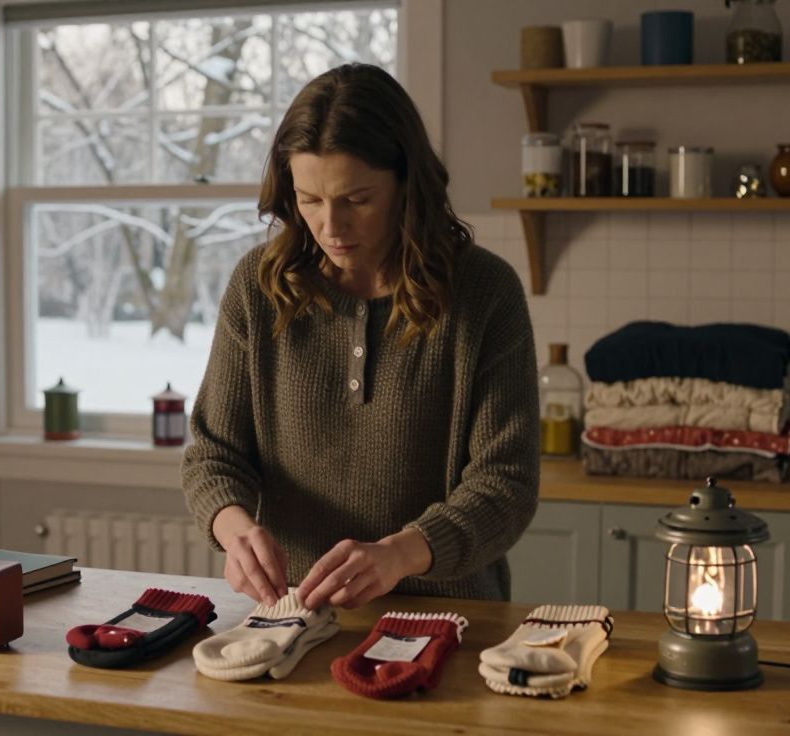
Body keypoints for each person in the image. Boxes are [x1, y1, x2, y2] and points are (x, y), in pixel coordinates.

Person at [180, 63, 539, 612]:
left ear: (406, 184)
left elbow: (505, 484)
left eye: (357, 199)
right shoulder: (259, 288)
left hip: (450, 617)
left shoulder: (484, 293)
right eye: (310, 200)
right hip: (295, 616)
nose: (331, 227)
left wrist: (401, 554)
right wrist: (234, 530)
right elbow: (212, 453)